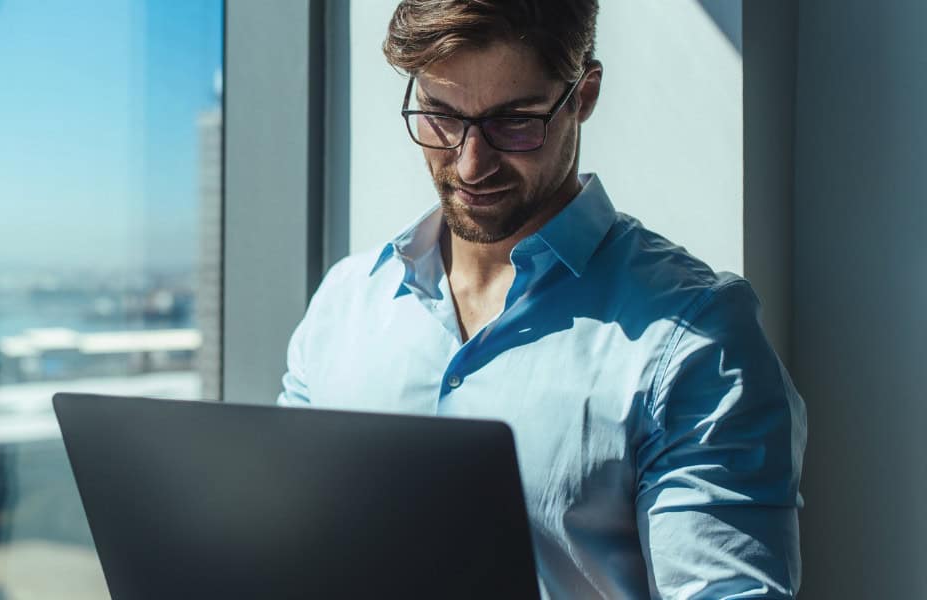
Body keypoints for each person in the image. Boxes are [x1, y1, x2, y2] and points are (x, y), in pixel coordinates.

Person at [277, 1, 806, 598]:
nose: (470, 163)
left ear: (584, 93)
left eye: (514, 122)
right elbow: (291, 547)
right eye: (441, 117)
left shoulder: (696, 338)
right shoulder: (344, 304)